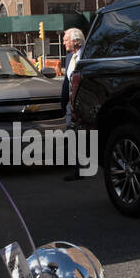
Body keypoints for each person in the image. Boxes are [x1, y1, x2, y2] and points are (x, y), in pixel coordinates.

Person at [59, 27, 85, 181]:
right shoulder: (69, 57)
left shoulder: (87, 55)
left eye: (66, 40)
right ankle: (78, 169)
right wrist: (64, 104)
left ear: (76, 41)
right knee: (73, 134)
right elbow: (66, 83)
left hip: (86, 102)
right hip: (71, 104)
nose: (63, 43)